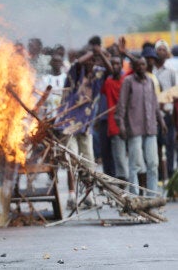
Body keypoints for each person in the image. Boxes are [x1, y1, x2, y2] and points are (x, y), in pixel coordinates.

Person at [56, 36, 113, 209]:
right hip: (69, 124)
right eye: (90, 60)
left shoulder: (98, 74)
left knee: (88, 162)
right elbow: (77, 63)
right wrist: (90, 53)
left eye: (94, 61)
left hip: (86, 126)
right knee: (73, 159)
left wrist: (100, 54)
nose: (92, 63)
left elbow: (109, 69)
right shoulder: (75, 71)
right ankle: (72, 196)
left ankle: (88, 196)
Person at [115, 57, 166, 196]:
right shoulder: (128, 82)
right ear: (134, 67)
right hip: (134, 128)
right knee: (135, 164)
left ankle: (151, 197)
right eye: (138, 65)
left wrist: (161, 121)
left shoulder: (150, 81)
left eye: (143, 64)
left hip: (150, 128)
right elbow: (122, 105)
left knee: (153, 164)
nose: (141, 67)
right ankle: (134, 195)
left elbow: (155, 104)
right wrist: (121, 126)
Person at [153, 40, 177, 181]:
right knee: (156, 145)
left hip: (168, 113)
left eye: (163, 49)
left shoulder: (171, 72)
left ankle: (171, 175)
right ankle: (160, 177)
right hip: (154, 115)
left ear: (167, 52)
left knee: (169, 145)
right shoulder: (151, 71)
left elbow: (175, 92)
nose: (161, 52)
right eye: (159, 49)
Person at [102, 55, 128, 183]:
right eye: (112, 64)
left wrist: (125, 53)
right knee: (120, 160)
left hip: (131, 125)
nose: (114, 66)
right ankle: (124, 190)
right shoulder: (108, 82)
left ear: (122, 65)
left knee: (135, 161)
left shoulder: (127, 80)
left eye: (117, 64)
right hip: (115, 127)